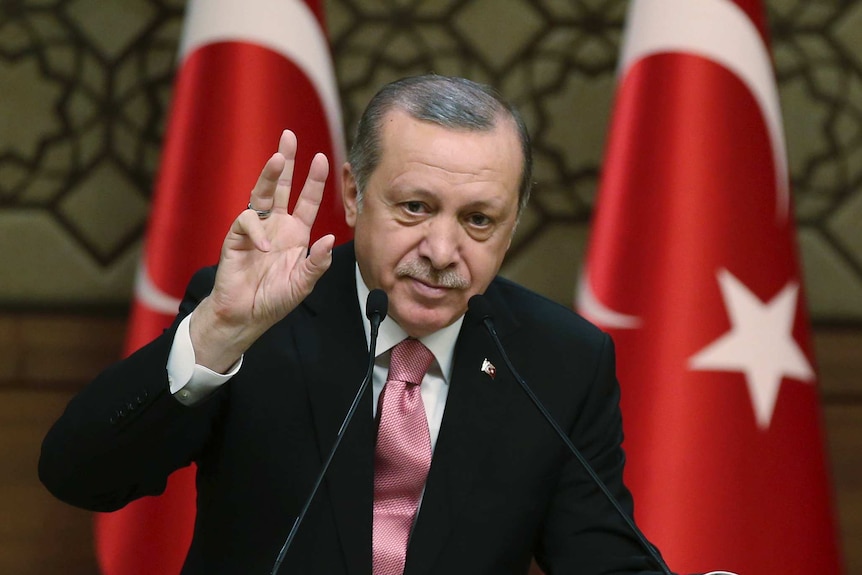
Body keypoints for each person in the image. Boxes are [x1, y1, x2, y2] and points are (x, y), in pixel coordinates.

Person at [40, 75, 668, 575]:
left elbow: (600, 556)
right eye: (415, 207)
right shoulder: (259, 317)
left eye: (479, 220)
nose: (443, 250)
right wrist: (218, 333)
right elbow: (79, 475)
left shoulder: (559, 359)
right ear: (353, 194)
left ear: (513, 226)